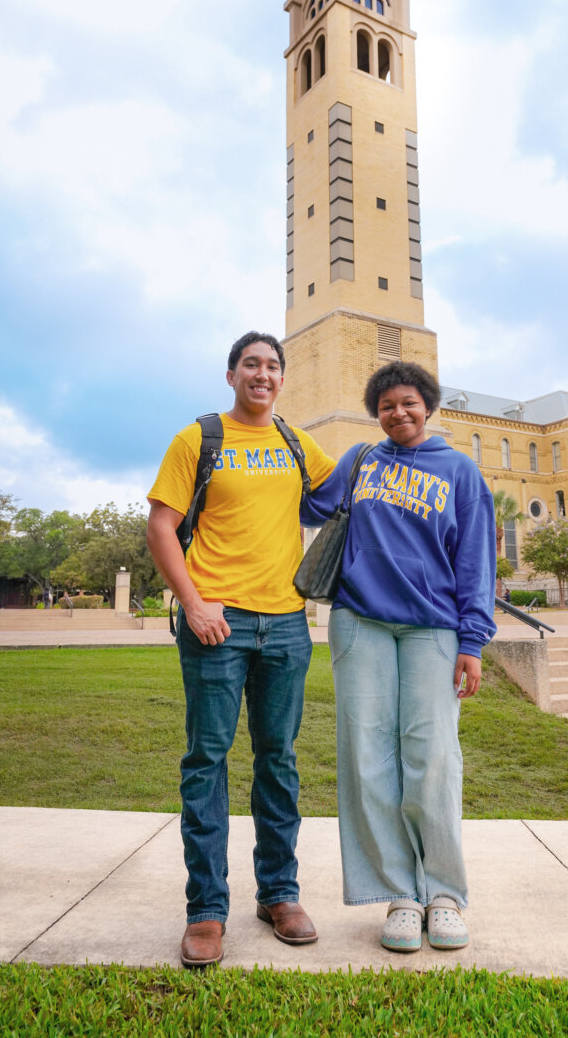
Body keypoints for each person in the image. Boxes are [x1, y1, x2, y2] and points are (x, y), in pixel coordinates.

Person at [146, 331, 335, 968]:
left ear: (282, 379)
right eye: (251, 364)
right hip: (216, 625)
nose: (263, 374)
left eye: (273, 366)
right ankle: (206, 910)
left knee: (278, 762)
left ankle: (279, 894)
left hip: (285, 625)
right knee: (207, 760)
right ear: (232, 375)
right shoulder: (198, 439)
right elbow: (161, 526)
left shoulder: (294, 442)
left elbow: (351, 495)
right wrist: (194, 603)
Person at [300, 361, 496, 953]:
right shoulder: (362, 460)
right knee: (367, 758)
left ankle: (443, 893)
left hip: (432, 630)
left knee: (432, 756)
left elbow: (475, 561)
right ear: (376, 413)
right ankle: (400, 897)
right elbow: (306, 506)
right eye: (386, 405)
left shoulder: (460, 471)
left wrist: (472, 641)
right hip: (359, 622)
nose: (398, 413)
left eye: (408, 402)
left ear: (427, 406)